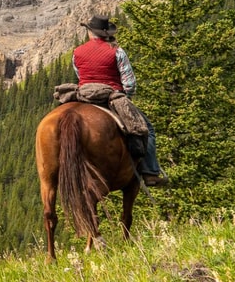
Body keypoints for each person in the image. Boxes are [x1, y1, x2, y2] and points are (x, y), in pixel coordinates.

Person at [72, 15, 168, 186]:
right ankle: (150, 172)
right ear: (105, 33)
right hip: (111, 96)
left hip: (84, 95)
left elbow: (80, 75)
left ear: (90, 33)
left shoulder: (77, 52)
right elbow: (129, 83)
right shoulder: (117, 52)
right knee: (146, 129)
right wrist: (126, 99)